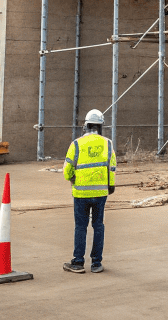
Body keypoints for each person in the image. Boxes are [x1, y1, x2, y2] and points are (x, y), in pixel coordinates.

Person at [62, 108, 116, 275]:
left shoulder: (76, 144)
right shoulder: (107, 143)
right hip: (101, 193)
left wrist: (73, 179)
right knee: (98, 226)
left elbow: (66, 171)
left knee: (81, 227)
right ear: (100, 127)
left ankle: (78, 263)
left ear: (85, 126)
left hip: (81, 194)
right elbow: (111, 167)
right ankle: (96, 263)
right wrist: (110, 185)